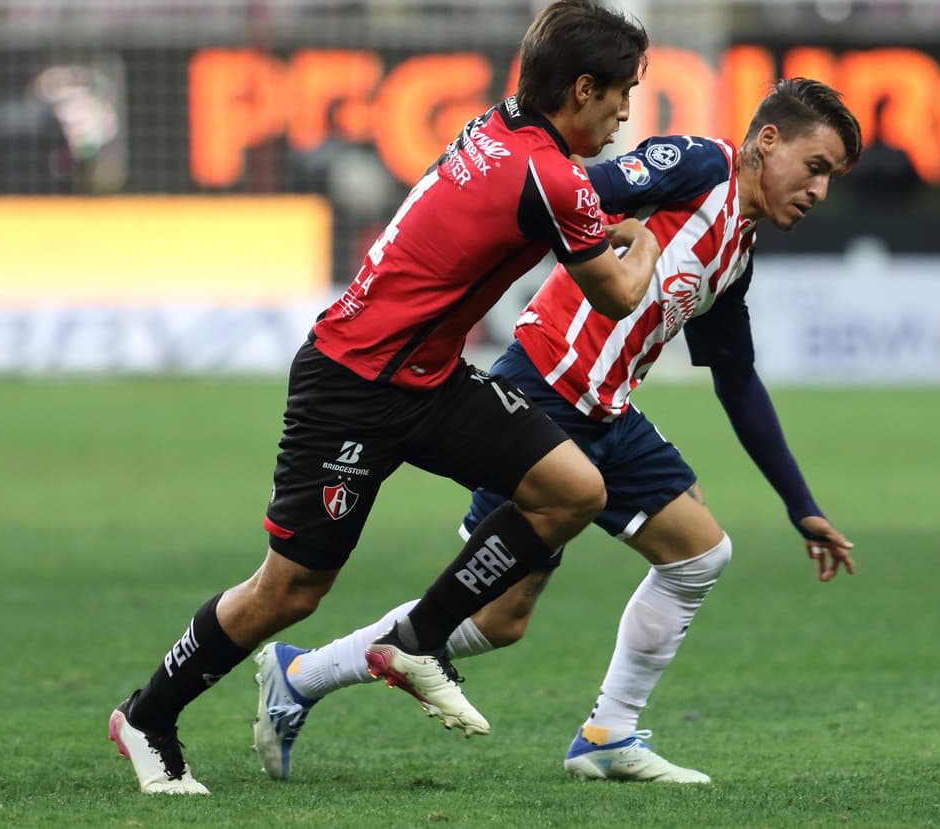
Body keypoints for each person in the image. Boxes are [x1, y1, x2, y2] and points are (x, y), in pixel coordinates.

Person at [108, 0, 659, 796]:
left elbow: (536, 213)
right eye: (620, 97)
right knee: (289, 591)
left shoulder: (501, 129)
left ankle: (419, 636)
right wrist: (640, 238)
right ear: (581, 89)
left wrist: (595, 217)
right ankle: (147, 716)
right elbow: (614, 297)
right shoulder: (550, 175)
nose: (622, 117)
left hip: (426, 380)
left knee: (572, 489)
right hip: (351, 386)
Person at [251, 78, 863, 784]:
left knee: (699, 554)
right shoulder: (697, 165)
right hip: (537, 392)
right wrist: (603, 230)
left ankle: (608, 734)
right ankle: (300, 673)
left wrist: (801, 504)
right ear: (767, 141)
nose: (818, 191)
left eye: (831, 179)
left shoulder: (738, 249)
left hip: (607, 411)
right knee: (498, 615)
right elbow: (577, 188)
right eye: (814, 167)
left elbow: (737, 379)